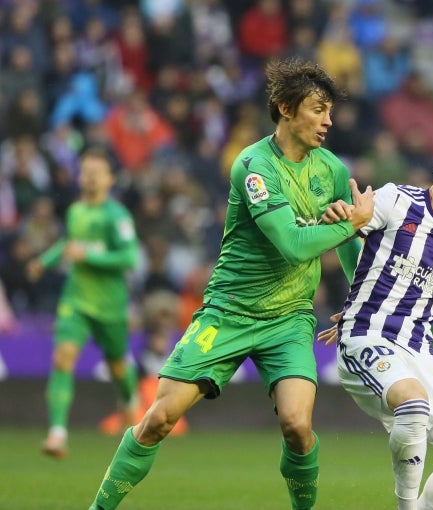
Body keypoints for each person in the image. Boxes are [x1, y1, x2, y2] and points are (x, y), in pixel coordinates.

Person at [87, 58, 375, 510]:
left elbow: (348, 242)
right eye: (318, 109)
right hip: (229, 311)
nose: (328, 121)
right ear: (284, 107)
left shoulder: (333, 171)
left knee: (298, 426)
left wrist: (362, 297)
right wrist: (351, 223)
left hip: (290, 318)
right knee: (159, 419)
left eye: (330, 111)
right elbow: (294, 246)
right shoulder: (254, 166)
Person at [317, 142, 433, 510]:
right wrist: (337, 216)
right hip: (366, 337)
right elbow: (343, 231)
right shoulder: (397, 201)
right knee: (412, 402)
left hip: (420, 354)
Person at [26, 147, 139, 459]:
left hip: (110, 305)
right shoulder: (75, 211)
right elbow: (69, 244)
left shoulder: (117, 217)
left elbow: (129, 257)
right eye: (84, 171)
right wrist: (44, 261)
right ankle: (57, 433)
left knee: (118, 366)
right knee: (63, 358)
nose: (88, 177)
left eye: (95, 172)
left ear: (109, 179)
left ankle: (128, 403)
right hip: (75, 299)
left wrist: (88, 256)